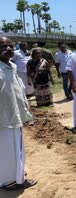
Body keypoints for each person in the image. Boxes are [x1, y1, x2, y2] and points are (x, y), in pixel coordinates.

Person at [0, 37, 37, 190]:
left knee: (15, 148)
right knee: (9, 149)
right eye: (3, 46)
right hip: (4, 117)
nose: (8, 48)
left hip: (15, 115)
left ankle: (13, 176)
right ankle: (11, 181)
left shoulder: (12, 66)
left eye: (10, 46)